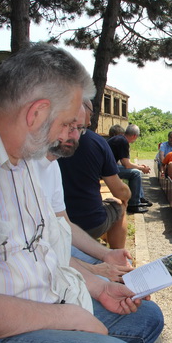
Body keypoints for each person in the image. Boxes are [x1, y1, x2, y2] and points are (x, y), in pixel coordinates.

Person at [0, 43, 164, 343]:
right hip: (4, 334)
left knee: (143, 317)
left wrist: (93, 281)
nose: (76, 134)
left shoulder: (30, 159)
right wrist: (64, 316)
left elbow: (45, 247)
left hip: (40, 305)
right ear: (36, 114)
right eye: (70, 123)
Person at [33, 105, 133, 282]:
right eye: (70, 126)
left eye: (80, 129)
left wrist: (107, 254)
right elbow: (38, 252)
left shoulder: (53, 164)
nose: (76, 136)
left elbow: (64, 223)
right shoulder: (20, 168)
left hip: (56, 250)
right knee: (119, 208)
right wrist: (94, 271)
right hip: (41, 270)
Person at [58, 100, 131, 248]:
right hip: (88, 224)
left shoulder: (47, 146)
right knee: (119, 205)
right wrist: (128, 196)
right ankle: (118, 254)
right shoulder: (96, 142)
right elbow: (119, 190)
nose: (90, 122)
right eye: (90, 115)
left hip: (57, 223)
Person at [107, 124, 152, 214]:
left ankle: (139, 197)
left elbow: (125, 163)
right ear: (135, 136)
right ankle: (133, 204)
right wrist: (142, 168)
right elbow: (127, 165)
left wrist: (139, 166)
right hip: (105, 170)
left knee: (136, 170)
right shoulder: (123, 142)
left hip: (107, 167)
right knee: (136, 173)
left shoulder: (120, 139)